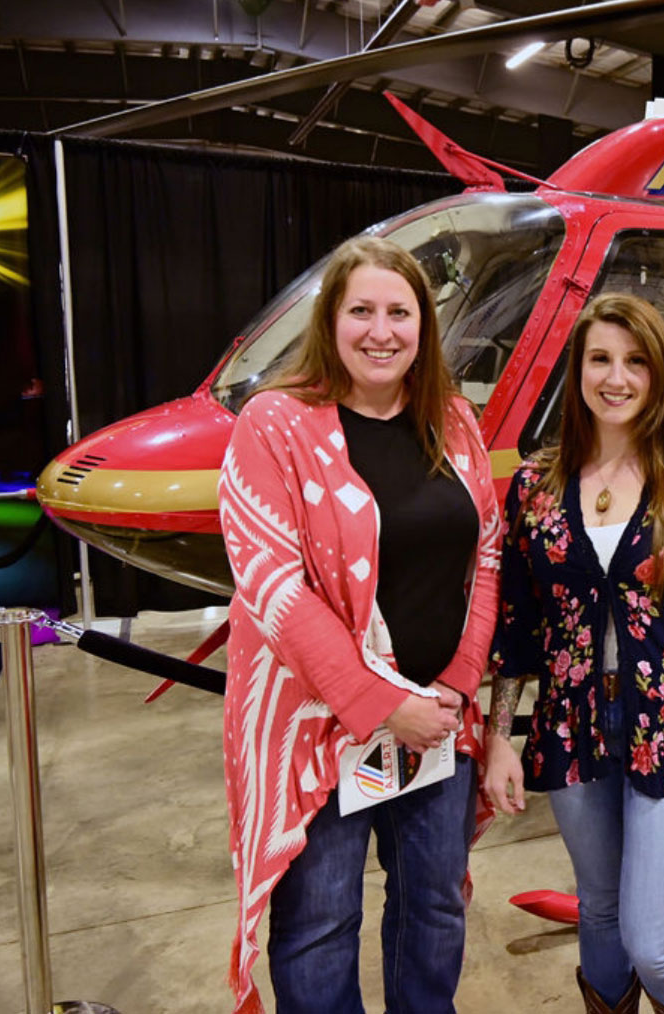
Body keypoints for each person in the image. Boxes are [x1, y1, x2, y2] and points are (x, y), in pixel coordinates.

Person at [217, 236, 501, 1014]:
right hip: (319, 731)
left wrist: (454, 686)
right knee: (318, 923)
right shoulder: (273, 424)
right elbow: (273, 585)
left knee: (434, 910)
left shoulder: (453, 420)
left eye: (400, 312)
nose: (382, 331)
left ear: (425, 325)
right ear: (331, 322)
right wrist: (381, 705)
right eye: (362, 311)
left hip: (439, 723)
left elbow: (486, 555)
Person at [483, 293, 664, 1014]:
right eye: (600, 359)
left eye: (635, 362)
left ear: (659, 374)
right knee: (598, 911)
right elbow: (516, 624)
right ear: (576, 370)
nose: (616, 377)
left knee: (649, 936)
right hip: (570, 730)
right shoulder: (534, 489)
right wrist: (498, 738)